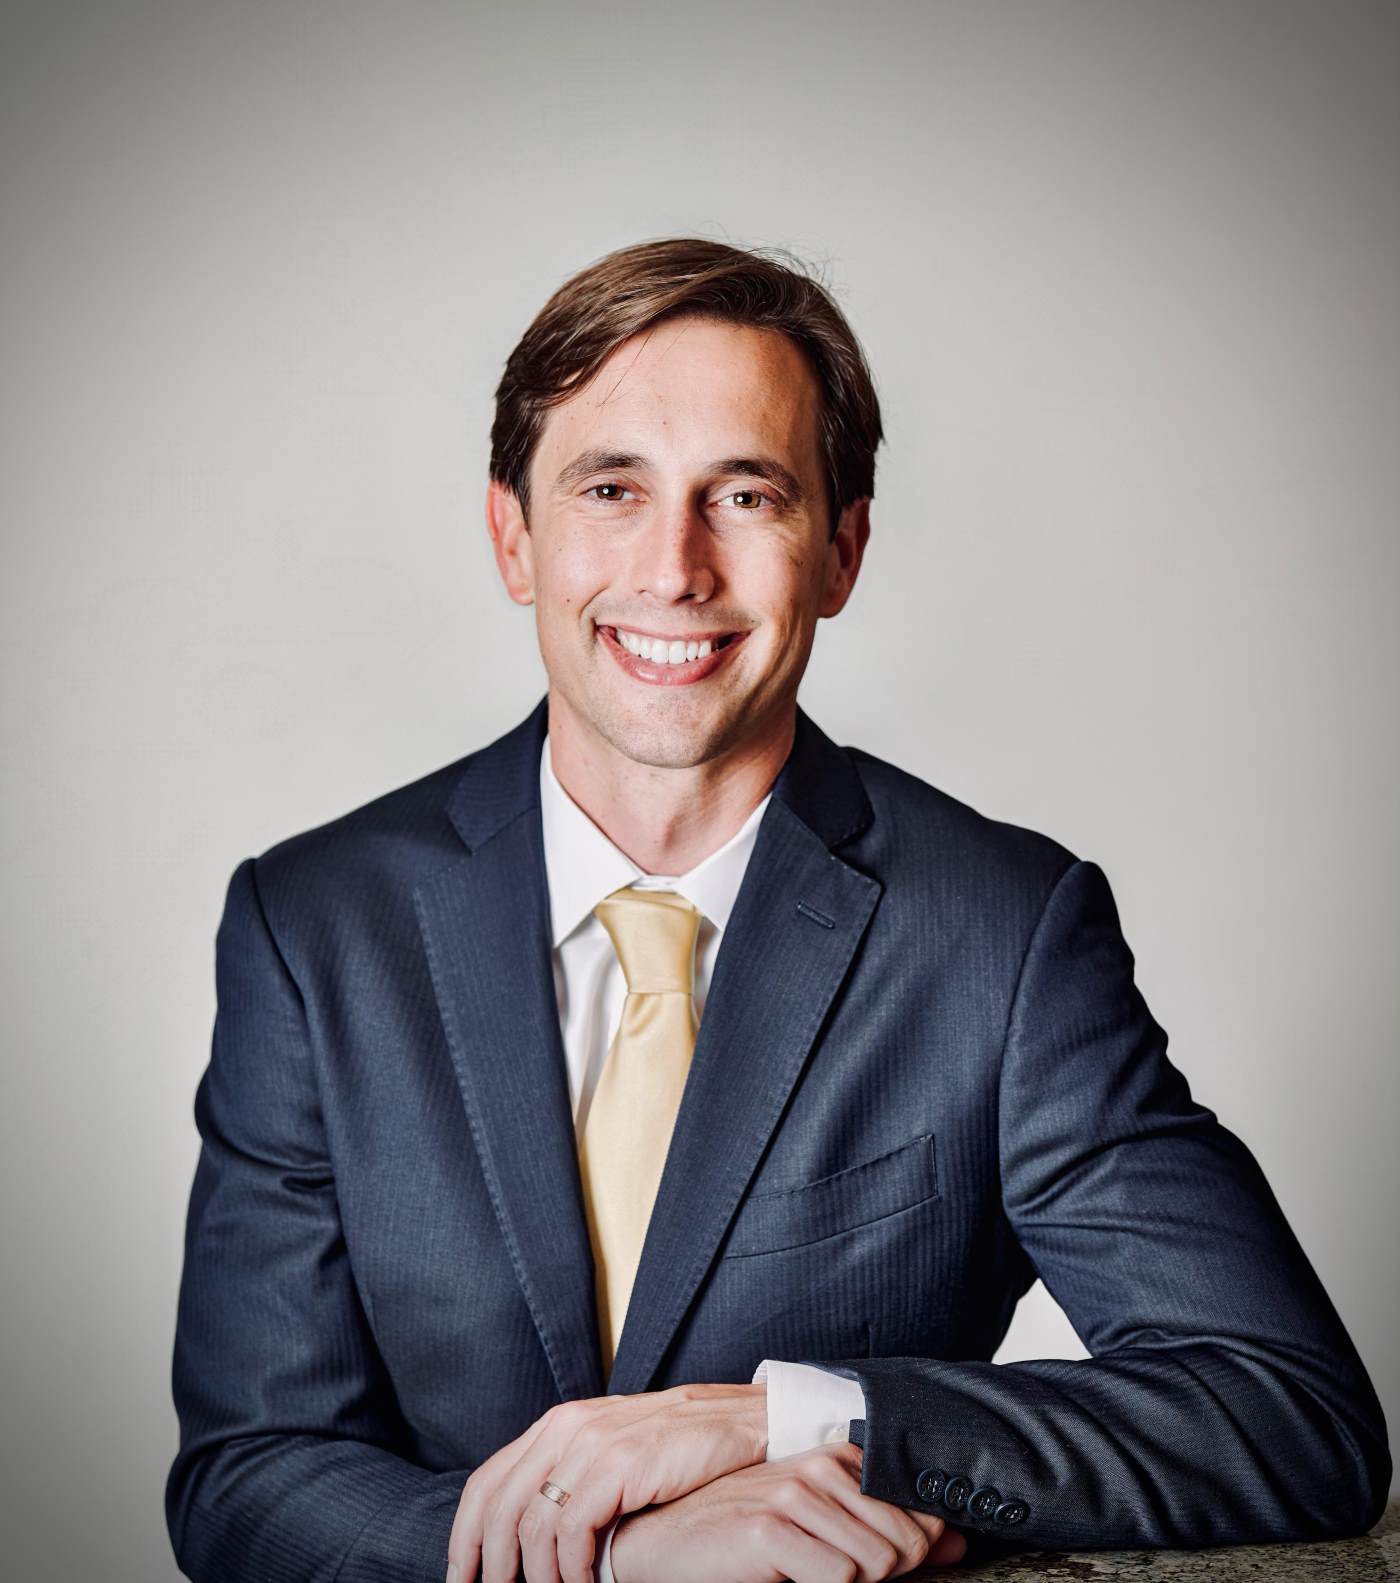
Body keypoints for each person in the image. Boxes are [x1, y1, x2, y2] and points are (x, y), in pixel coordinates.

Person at [166, 237, 1390, 1583]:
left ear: (841, 552)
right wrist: (613, 1561)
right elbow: (248, 1480)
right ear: (514, 537)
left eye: (745, 496)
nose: (675, 568)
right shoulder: (313, 926)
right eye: (612, 488)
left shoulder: (1003, 935)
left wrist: (787, 1422)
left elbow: (1290, 1416)